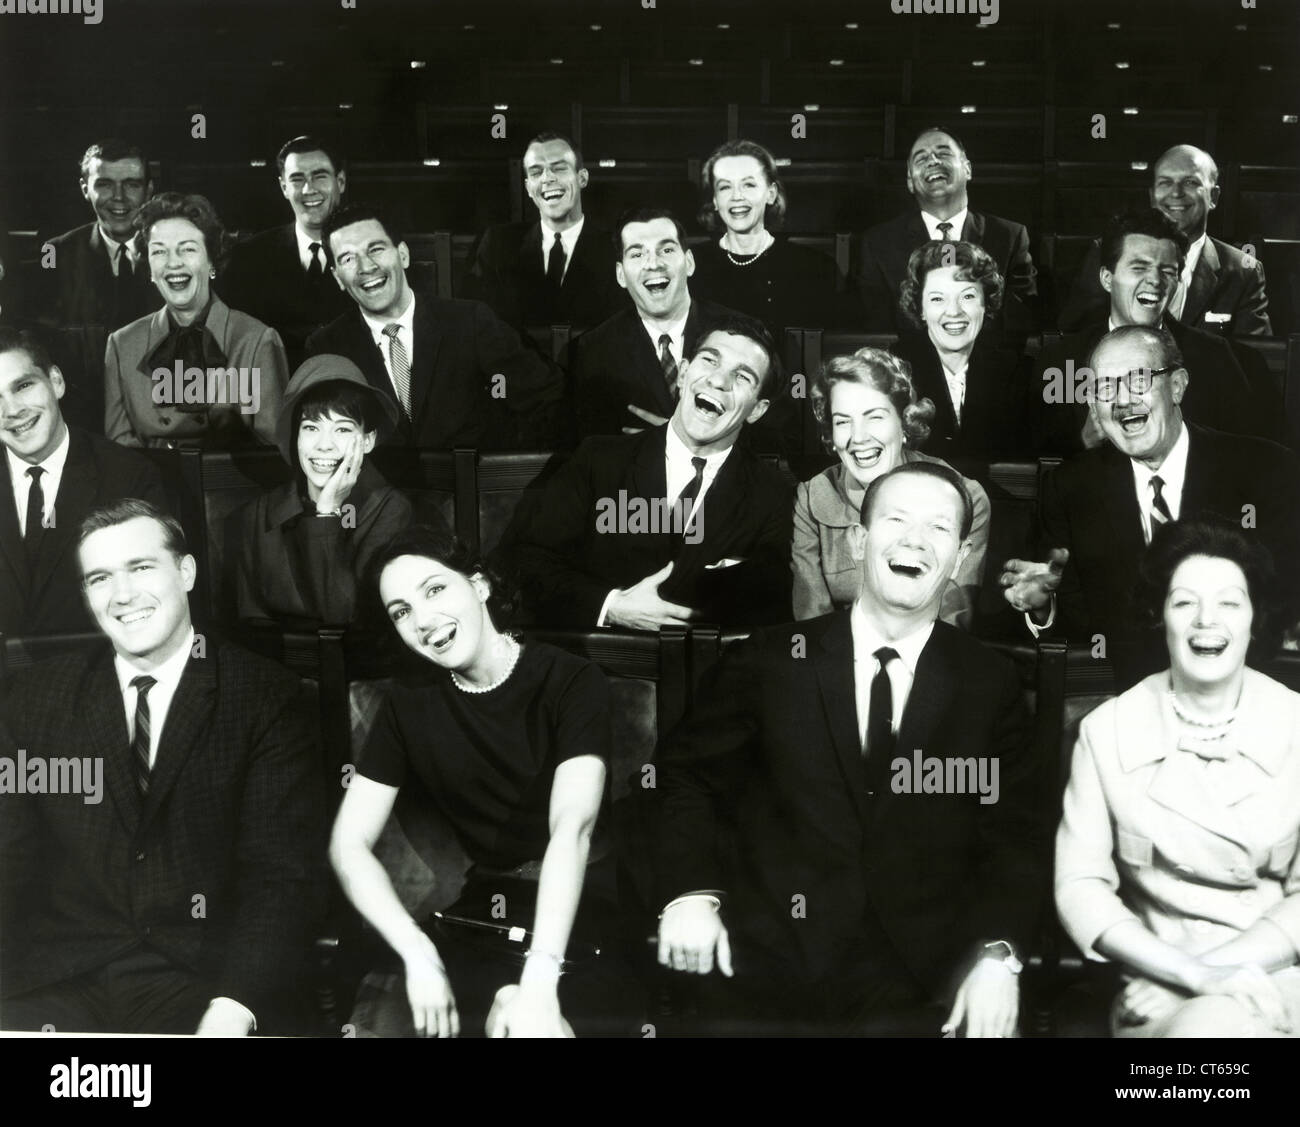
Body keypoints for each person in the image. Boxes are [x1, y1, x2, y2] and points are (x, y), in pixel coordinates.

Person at [656, 461, 1045, 1036]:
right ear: (860, 540)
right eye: (896, 520)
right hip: (766, 966)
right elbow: (683, 780)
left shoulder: (990, 683)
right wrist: (690, 895)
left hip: (924, 980)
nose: (915, 539)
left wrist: (998, 955)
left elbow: (1019, 834)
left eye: (939, 529)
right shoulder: (769, 658)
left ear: (961, 557)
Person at [0, 499, 324, 1034]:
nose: (122, 595)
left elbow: (281, 875)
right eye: (99, 578)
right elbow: (8, 853)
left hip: (200, 977)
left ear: (187, 572)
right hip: (59, 977)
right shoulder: (36, 699)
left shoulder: (265, 697)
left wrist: (235, 1005)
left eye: (141, 567)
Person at [329, 525, 633, 1036]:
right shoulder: (408, 704)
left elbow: (572, 830)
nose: (423, 620)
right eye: (401, 611)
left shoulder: (571, 680)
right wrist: (416, 951)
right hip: (487, 911)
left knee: (531, 1021)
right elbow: (347, 845)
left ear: (480, 585)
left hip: (585, 904)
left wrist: (540, 979)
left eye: (435, 589)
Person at [1056, 518, 1300, 1037]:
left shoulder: (1296, 725)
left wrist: (1212, 971)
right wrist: (1186, 974)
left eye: (1230, 603)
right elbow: (1080, 888)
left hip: (1280, 968)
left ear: (1255, 620)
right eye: (1185, 602)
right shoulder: (1107, 732)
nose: (1206, 620)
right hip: (1158, 980)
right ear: (1159, 617)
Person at [1001, 325, 1300, 691]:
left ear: (1177, 386)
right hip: (1124, 696)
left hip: (1242, 689)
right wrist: (1043, 609)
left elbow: (1283, 600)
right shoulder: (1070, 487)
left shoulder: (1266, 470)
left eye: (1138, 380)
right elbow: (1075, 626)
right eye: (1105, 388)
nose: (1122, 400)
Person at [504, 314, 793, 630]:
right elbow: (525, 561)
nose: (719, 381)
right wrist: (611, 606)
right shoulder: (598, 460)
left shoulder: (774, 495)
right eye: (710, 360)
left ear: (758, 409)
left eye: (742, 377)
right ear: (683, 374)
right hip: (603, 666)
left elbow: (769, 612)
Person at [307, 203, 564, 450]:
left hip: (470, 488)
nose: (366, 267)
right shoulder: (328, 348)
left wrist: (507, 477)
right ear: (337, 277)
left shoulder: (471, 323)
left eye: (375, 249)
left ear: (403, 255)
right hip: (374, 494)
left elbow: (545, 396)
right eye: (349, 258)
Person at [1035, 209, 1263, 455]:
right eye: (1139, 267)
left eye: (1167, 271)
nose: (1155, 280)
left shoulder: (1215, 358)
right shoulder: (1060, 361)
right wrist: (1084, 440)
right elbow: (1032, 456)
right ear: (1107, 278)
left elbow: (1246, 454)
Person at [793, 346, 989, 628]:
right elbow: (811, 618)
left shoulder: (965, 497)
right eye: (843, 421)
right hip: (836, 660)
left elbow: (952, 622)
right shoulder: (813, 496)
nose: (858, 437)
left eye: (875, 417)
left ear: (905, 423)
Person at [229, 353, 428, 629]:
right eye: (311, 427)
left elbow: (343, 618)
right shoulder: (258, 513)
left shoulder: (391, 511)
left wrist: (327, 514)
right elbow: (250, 622)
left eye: (343, 430)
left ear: (368, 441)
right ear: (295, 436)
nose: (325, 445)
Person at [0, 327, 165, 635]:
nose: (12, 410)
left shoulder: (130, 476)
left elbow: (153, 605)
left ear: (56, 382)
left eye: (23, 386)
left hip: (96, 672)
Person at [104, 192, 288, 449]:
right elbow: (118, 450)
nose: (173, 264)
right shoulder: (122, 345)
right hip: (149, 487)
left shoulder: (256, 341)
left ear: (212, 260)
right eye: (159, 252)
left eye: (187, 249)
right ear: (151, 271)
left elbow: (275, 452)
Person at [1059, 146, 1271, 338]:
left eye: (1190, 182)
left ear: (1213, 196)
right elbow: (1078, 338)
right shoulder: (1103, 250)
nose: (1176, 193)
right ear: (1152, 196)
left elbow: (1253, 359)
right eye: (1165, 182)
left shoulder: (1244, 271)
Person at [568, 208, 738, 441]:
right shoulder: (592, 351)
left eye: (666, 250)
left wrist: (693, 438)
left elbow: (774, 429)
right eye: (637, 254)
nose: (653, 264)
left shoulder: (739, 335)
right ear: (621, 275)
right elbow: (589, 450)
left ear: (689, 262)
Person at [25, 140, 161, 431]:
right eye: (105, 184)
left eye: (132, 184)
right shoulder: (55, 256)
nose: (119, 198)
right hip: (85, 425)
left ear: (149, 191)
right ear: (85, 189)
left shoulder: (178, 251)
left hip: (165, 422)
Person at [855, 127, 1037, 335]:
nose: (933, 161)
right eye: (921, 159)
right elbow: (877, 330)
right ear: (909, 181)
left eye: (943, 153)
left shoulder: (1009, 237)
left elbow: (1020, 324)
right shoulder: (879, 243)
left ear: (967, 169)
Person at [688, 140, 855, 343]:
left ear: (771, 194)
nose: (736, 197)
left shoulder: (814, 266)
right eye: (724, 187)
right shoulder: (690, 265)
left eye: (748, 184)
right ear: (714, 200)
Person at [465, 132, 624, 333]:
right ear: (528, 188)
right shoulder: (498, 244)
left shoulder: (616, 247)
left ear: (582, 178)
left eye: (559, 168)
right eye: (536, 172)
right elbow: (477, 326)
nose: (547, 178)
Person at [218, 135, 354, 368]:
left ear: (340, 182)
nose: (308, 189)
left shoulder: (366, 251)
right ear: (284, 187)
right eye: (297, 179)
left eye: (320, 176)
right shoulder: (248, 259)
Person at [890, 240, 1031, 457]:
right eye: (938, 299)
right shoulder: (892, 372)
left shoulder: (1018, 372)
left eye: (967, 296)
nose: (954, 311)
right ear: (921, 309)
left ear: (986, 304)